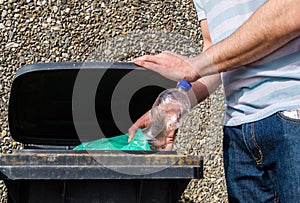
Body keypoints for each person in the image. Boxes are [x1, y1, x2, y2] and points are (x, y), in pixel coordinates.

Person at [128, 0, 300, 202]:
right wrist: (178, 102)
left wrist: (196, 65)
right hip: (238, 131)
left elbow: (293, 10)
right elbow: (215, 55)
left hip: (292, 116)